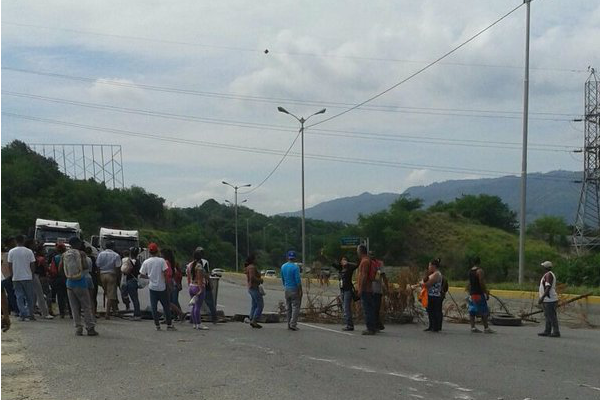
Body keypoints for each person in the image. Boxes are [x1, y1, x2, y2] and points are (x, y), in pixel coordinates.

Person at [62, 237, 98, 336]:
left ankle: (78, 328)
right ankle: (90, 328)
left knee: (74, 307)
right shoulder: (81, 253)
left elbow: (61, 268)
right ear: (77, 243)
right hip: (80, 282)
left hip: (69, 282)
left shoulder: (65, 254)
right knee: (86, 306)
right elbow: (85, 266)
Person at [139, 243, 176, 331]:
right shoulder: (162, 261)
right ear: (157, 250)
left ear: (149, 251)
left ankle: (157, 325)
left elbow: (141, 275)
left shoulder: (146, 262)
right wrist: (169, 285)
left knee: (154, 307)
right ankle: (169, 325)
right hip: (162, 287)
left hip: (152, 287)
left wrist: (149, 277)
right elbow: (166, 273)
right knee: (166, 306)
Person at [7, 235, 37, 321]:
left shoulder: (11, 252)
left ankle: (22, 314)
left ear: (16, 241)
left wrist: (12, 275)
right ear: (23, 241)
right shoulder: (29, 251)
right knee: (29, 297)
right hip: (27, 276)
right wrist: (32, 274)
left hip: (16, 277)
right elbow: (32, 264)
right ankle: (30, 314)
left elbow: (10, 264)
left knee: (19, 296)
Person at [188, 247, 218, 323]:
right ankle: (214, 318)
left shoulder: (190, 264)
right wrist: (210, 282)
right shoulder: (204, 262)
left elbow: (189, 276)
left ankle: (193, 319)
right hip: (203, 285)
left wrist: (190, 285)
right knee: (209, 302)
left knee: (194, 303)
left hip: (193, 285)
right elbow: (206, 274)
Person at [467, 257, 494, 334]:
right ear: (479, 262)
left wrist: (469, 292)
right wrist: (486, 292)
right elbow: (481, 282)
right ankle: (486, 328)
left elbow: (469, 283)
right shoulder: (480, 271)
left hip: (472, 294)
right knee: (484, 310)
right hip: (478, 293)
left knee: (472, 311)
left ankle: (473, 327)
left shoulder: (470, 271)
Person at [96, 241, 121, 319]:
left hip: (102, 275)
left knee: (107, 293)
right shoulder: (116, 255)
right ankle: (107, 313)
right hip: (111, 275)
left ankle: (114, 310)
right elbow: (117, 268)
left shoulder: (101, 254)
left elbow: (98, 266)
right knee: (111, 295)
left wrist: (98, 277)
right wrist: (118, 278)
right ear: (113, 247)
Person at [332, 256, 358, 331]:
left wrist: (348, 263)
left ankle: (350, 325)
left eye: (345, 260)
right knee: (344, 307)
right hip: (342, 290)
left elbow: (356, 265)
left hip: (348, 290)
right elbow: (333, 263)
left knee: (346, 307)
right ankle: (347, 323)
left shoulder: (349, 268)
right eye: (342, 260)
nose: (343, 261)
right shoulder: (341, 269)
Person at [356, 244, 377, 335]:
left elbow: (364, 276)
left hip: (366, 289)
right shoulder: (367, 260)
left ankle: (370, 329)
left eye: (357, 250)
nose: (357, 252)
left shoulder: (364, 262)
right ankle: (373, 327)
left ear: (360, 251)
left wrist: (360, 289)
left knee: (367, 310)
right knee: (370, 309)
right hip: (368, 288)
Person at [281, 250, 302, 331]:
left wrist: (285, 285)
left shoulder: (283, 266)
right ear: (294, 258)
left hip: (287, 288)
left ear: (287, 257)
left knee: (288, 307)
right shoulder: (295, 267)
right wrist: (300, 290)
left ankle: (288, 324)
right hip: (294, 289)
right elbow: (297, 280)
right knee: (296, 307)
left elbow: (282, 278)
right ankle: (293, 324)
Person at [538, 261, 560, 338]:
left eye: (543, 267)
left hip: (550, 300)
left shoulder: (548, 275)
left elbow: (548, 287)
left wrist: (542, 297)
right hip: (547, 300)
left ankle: (556, 332)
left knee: (551, 316)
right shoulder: (547, 275)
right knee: (547, 316)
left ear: (545, 268)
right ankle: (547, 331)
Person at [162, 249, 185, 322]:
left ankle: (177, 315)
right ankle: (177, 315)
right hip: (172, 283)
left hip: (173, 284)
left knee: (172, 301)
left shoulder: (172, 263)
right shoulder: (169, 263)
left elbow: (179, 275)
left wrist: (179, 283)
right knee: (170, 301)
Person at [188, 254, 208, 330]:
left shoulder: (190, 265)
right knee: (198, 306)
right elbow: (199, 278)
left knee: (193, 306)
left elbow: (189, 277)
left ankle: (194, 323)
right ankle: (199, 323)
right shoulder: (199, 266)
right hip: (197, 286)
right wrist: (200, 289)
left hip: (191, 286)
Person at [49, 243, 70, 318]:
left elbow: (52, 269)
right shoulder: (68, 257)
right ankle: (71, 313)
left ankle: (62, 313)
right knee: (68, 296)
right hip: (68, 277)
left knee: (60, 296)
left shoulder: (55, 258)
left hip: (58, 278)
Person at [33, 247, 53, 319]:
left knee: (35, 294)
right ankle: (48, 310)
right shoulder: (42, 259)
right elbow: (46, 268)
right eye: (43, 250)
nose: (45, 251)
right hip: (43, 277)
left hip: (37, 277)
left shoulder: (35, 257)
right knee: (47, 294)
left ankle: (34, 309)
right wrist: (51, 273)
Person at [121, 248, 141, 320]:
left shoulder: (131, 261)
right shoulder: (138, 261)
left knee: (133, 298)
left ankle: (137, 315)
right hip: (135, 280)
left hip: (130, 280)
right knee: (135, 298)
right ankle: (137, 313)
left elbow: (127, 271)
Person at [370, 253, 389, 332]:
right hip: (369, 289)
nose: (371, 256)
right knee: (372, 308)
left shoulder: (379, 264)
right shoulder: (367, 263)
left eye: (373, 254)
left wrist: (387, 287)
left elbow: (384, 276)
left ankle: (377, 325)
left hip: (377, 289)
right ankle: (376, 325)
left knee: (376, 308)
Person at [245, 253, 263, 329]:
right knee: (260, 305)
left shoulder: (248, 267)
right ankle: (254, 320)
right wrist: (260, 280)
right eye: (255, 259)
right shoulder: (252, 267)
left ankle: (251, 318)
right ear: (253, 260)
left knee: (254, 304)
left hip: (250, 287)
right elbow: (252, 277)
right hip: (254, 287)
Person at [85, 246, 100, 316]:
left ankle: (86, 312)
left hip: (84, 277)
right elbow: (97, 268)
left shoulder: (84, 259)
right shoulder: (93, 259)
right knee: (93, 297)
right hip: (93, 277)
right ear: (91, 252)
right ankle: (94, 312)